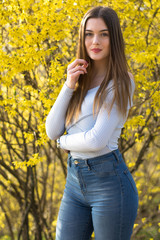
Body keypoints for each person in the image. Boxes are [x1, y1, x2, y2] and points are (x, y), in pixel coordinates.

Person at [45, 6, 139, 240]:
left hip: (110, 185)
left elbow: (97, 140)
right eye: (89, 34)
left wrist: (63, 141)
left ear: (113, 38)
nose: (95, 41)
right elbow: (51, 129)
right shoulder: (80, 78)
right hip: (74, 183)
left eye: (103, 34)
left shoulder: (121, 81)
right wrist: (68, 85)